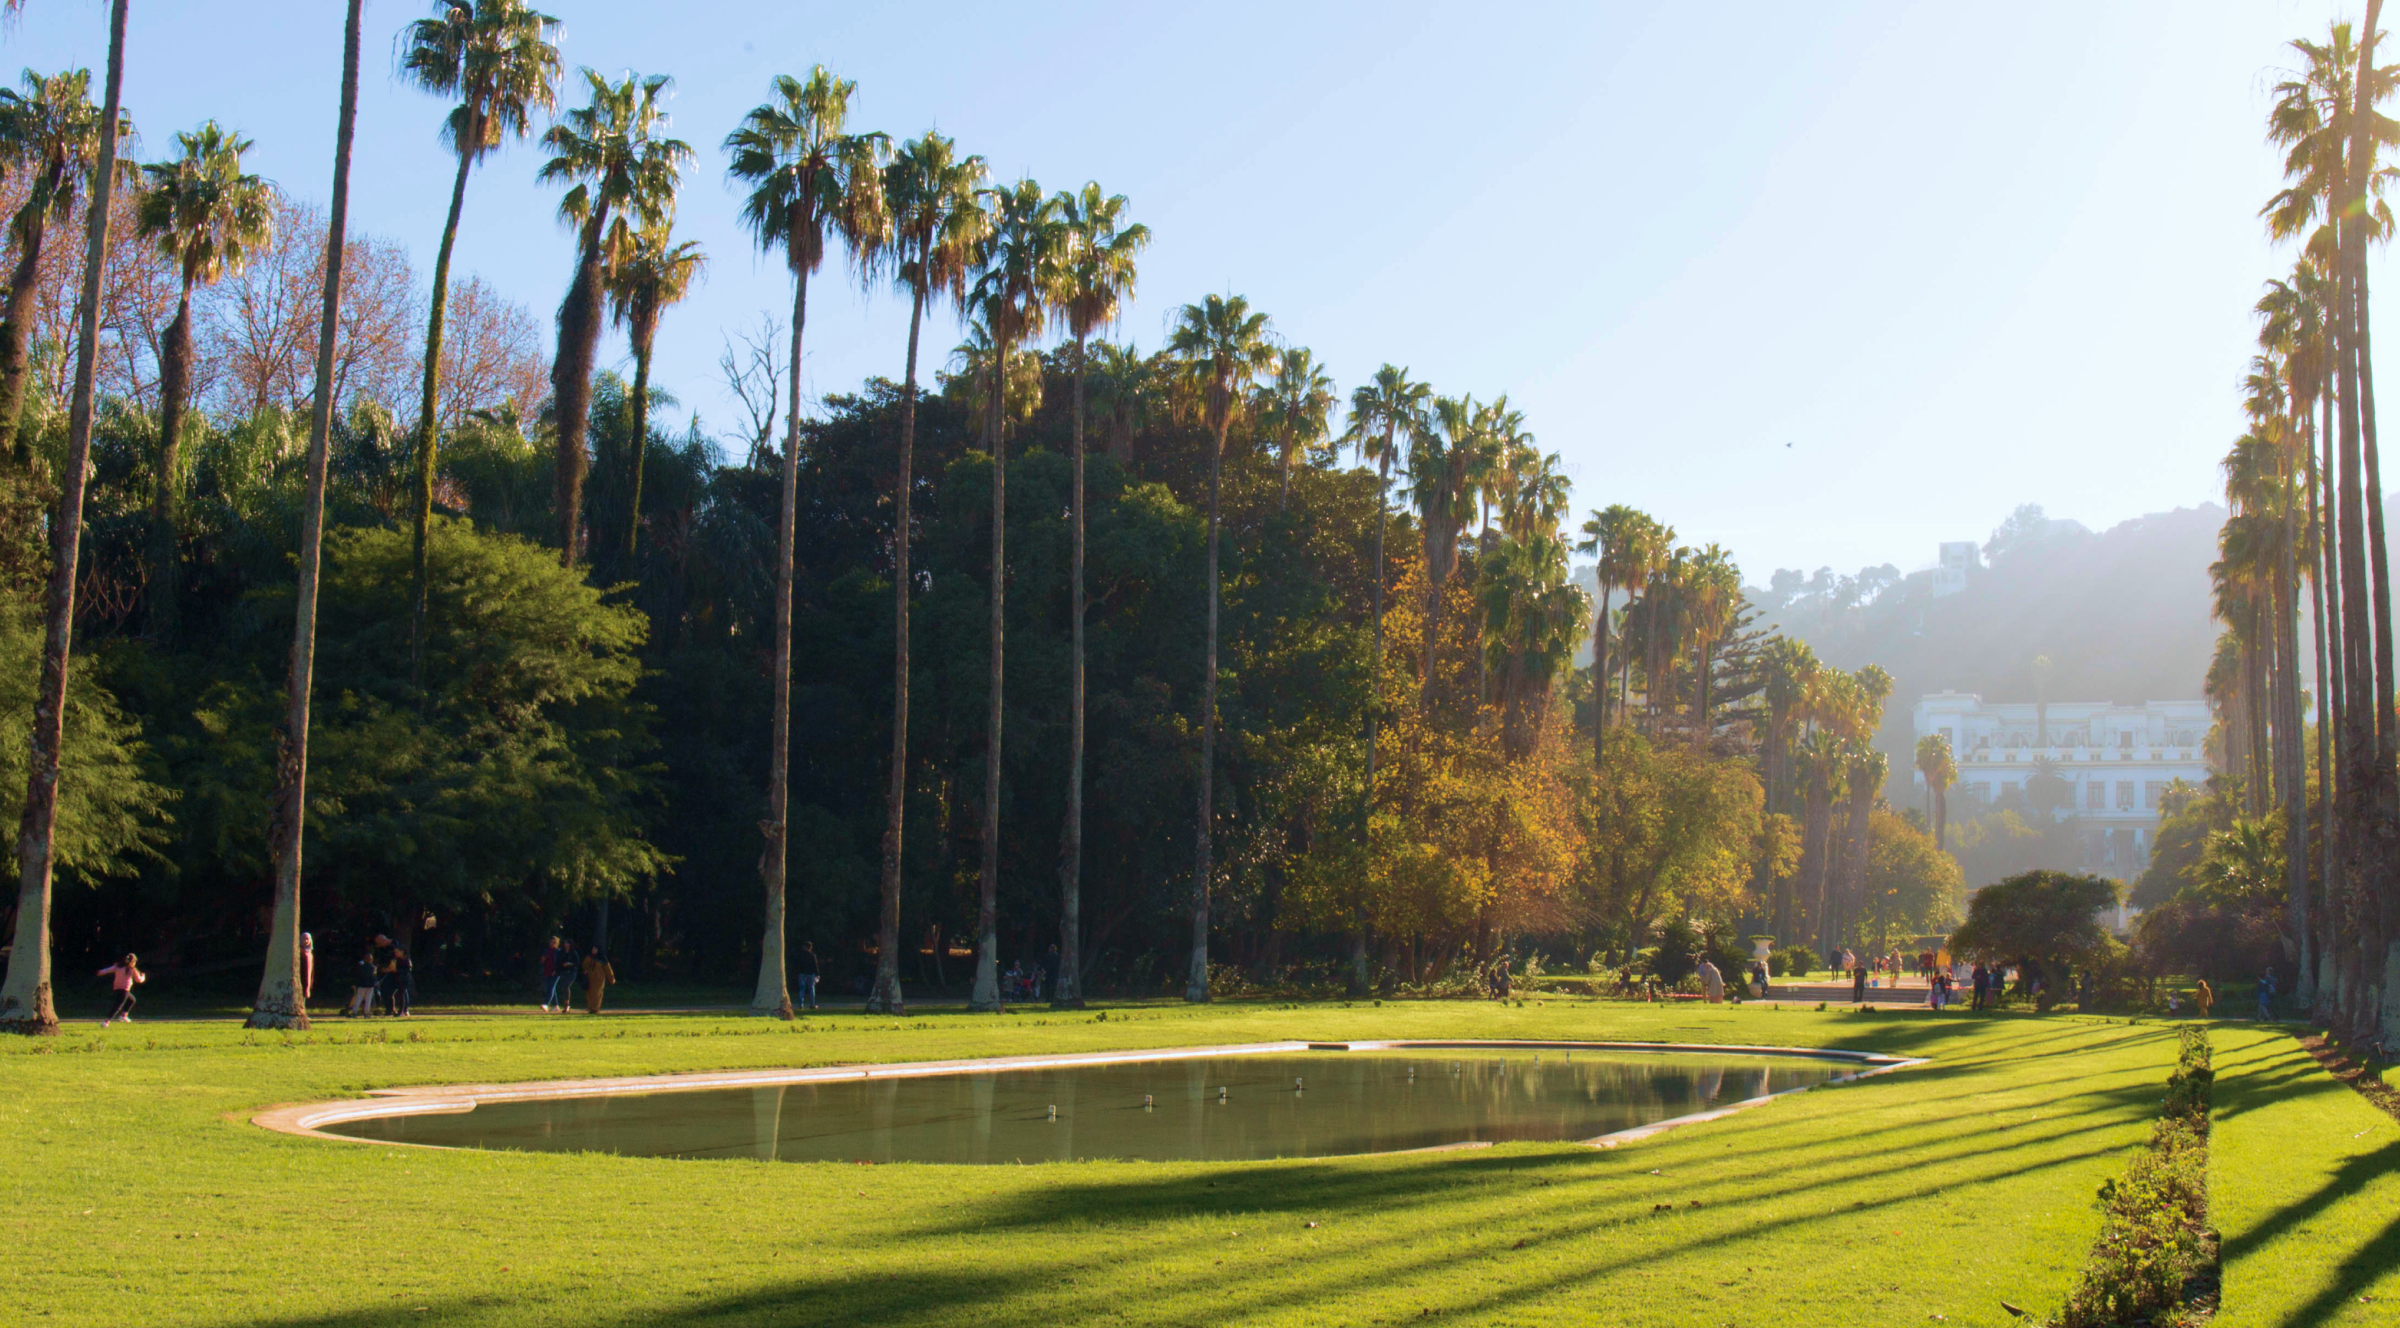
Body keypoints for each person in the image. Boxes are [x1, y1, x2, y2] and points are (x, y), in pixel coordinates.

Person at [97, 953, 143, 1025]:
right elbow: (139, 980)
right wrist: (143, 977)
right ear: (132, 962)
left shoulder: (118, 966)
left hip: (117, 988)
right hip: (125, 989)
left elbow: (108, 970)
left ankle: (123, 1016)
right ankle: (106, 1021)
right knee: (118, 1005)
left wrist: (101, 972)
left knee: (132, 1000)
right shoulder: (132, 969)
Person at [581, 949, 615, 1014]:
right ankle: (590, 1007)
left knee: (597, 993)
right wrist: (585, 970)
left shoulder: (602, 959)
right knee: (589, 993)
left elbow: (608, 969)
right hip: (590, 978)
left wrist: (611, 979)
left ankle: (595, 1008)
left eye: (595, 949)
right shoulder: (589, 957)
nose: (594, 950)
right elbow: (584, 965)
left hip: (599, 979)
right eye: (593, 949)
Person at [538, 937, 566, 1012]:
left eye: (554, 942)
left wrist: (556, 970)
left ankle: (546, 1004)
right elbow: (542, 961)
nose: (552, 944)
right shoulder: (546, 951)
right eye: (551, 942)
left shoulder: (559, 951)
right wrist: (543, 959)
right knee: (550, 988)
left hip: (556, 972)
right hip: (547, 971)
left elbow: (560, 963)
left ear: (557, 943)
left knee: (551, 987)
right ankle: (556, 1005)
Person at [347, 950, 377, 1017]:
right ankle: (366, 1013)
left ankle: (354, 1012)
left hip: (362, 985)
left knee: (359, 998)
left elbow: (358, 975)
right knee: (368, 999)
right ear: (372, 960)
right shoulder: (374, 968)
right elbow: (374, 977)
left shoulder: (361, 967)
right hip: (370, 985)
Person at [794, 941, 820, 1011]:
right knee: (811, 989)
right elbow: (815, 965)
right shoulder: (812, 955)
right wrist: (817, 974)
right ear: (810, 947)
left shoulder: (800, 955)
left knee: (802, 989)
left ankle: (801, 1005)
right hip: (810, 974)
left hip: (801, 973)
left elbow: (797, 965)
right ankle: (812, 1004)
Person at [390, 948, 414, 1018]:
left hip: (404, 980)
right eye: (395, 952)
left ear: (402, 951)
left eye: (397, 952)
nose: (396, 953)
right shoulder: (396, 960)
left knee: (402, 994)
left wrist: (397, 970)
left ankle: (402, 1011)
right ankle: (401, 1010)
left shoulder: (406, 960)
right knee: (399, 994)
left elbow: (407, 970)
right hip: (398, 979)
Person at [301, 932, 316, 1003]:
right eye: (304, 939)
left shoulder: (310, 953)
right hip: (301, 978)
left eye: (308, 939)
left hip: (308, 979)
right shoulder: (300, 952)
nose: (306, 941)